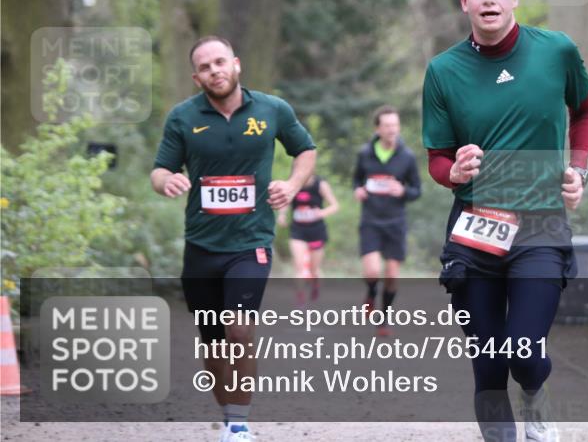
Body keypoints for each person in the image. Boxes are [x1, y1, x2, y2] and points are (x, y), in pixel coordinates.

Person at [422, 0, 588, 442]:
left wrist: (579, 169)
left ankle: (537, 398)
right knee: (488, 363)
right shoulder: (443, 71)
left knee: (523, 350)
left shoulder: (556, 51)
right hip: (476, 228)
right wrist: (455, 171)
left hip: (540, 225)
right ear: (465, 2)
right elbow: (437, 159)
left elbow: (585, 111)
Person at [151, 36, 316, 442]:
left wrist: (292, 185)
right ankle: (229, 416)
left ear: (236, 64)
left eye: (220, 62)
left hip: (251, 243)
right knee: (213, 345)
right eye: (205, 67)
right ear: (196, 77)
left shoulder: (272, 109)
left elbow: (305, 150)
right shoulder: (183, 117)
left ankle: (239, 425)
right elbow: (159, 170)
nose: (215, 71)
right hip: (202, 246)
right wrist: (166, 180)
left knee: (239, 330)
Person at [352, 105, 422, 335]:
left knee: (391, 275)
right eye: (387, 125)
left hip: (395, 222)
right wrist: (358, 190)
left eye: (395, 125)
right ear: (378, 129)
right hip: (371, 220)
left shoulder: (407, 157)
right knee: (373, 272)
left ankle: (383, 319)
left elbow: (417, 190)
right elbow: (356, 180)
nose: (392, 129)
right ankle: (371, 293)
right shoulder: (365, 154)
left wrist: (403, 191)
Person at [276, 173, 339, 306]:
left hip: (316, 231)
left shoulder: (321, 184)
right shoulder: (293, 184)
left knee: (314, 270)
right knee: (299, 266)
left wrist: (322, 213)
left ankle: (315, 285)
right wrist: (282, 214)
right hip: (298, 230)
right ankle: (300, 298)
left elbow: (335, 206)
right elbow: (285, 201)